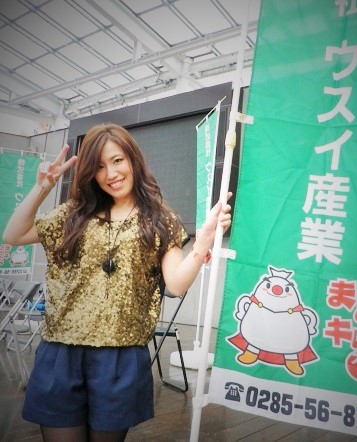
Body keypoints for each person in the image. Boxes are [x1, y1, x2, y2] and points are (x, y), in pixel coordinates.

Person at [2, 123, 232, 442]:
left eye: (117, 160)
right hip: (61, 352)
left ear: (133, 159)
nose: (110, 173)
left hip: (120, 356)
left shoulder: (159, 219)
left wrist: (202, 242)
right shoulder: (74, 214)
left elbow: (176, 285)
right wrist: (41, 189)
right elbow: (13, 235)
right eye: (99, 166)